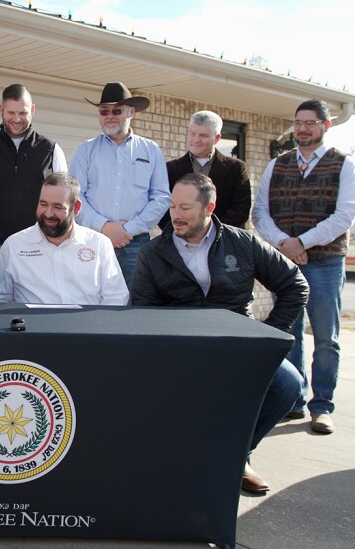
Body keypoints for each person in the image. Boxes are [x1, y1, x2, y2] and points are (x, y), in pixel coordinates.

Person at [131, 173, 307, 494]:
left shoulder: (244, 243)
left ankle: (237, 455)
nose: (176, 215)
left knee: (288, 384)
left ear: (209, 207)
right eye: (172, 206)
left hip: (239, 344)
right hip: (181, 349)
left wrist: (268, 338)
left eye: (185, 207)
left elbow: (295, 286)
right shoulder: (152, 253)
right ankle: (182, 460)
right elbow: (143, 313)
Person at [252, 99, 355, 434]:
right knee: (290, 334)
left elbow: (344, 215)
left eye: (310, 122)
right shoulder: (278, 165)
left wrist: (304, 242)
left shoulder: (344, 165)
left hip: (326, 263)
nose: (302, 128)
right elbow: (260, 213)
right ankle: (295, 401)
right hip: (285, 264)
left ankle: (322, 406)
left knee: (326, 337)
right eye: (298, 122)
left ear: (325, 126)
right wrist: (285, 243)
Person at [69, 81, 170, 287]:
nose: (110, 116)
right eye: (104, 111)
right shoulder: (84, 151)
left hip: (135, 243)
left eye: (117, 110)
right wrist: (104, 227)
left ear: (131, 112)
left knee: (133, 305)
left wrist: (128, 230)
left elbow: (161, 197)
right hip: (92, 239)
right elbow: (75, 196)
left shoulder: (151, 150)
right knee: (90, 300)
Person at [0, 84, 67, 261]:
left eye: (23, 113)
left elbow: (64, 200)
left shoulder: (51, 150)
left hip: (38, 246)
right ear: (1, 110)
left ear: (32, 110)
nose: (17, 119)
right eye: (11, 113)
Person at [0, 172, 128, 305]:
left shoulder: (99, 244)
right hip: (34, 326)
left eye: (57, 206)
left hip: (87, 325)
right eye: (43, 204)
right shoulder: (14, 245)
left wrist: (97, 325)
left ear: (76, 208)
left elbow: (116, 297)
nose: (48, 213)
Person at [161, 110, 251, 229]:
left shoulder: (235, 168)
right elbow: (162, 206)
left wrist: (212, 231)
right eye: (192, 134)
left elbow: (241, 208)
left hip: (224, 240)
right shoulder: (170, 169)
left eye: (203, 135)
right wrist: (181, 231)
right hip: (180, 240)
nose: (196, 139)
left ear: (217, 138)